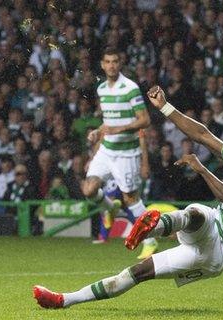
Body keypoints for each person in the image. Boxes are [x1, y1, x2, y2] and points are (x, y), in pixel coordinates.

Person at [32, 86, 223, 310]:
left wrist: (202, 170)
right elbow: (202, 135)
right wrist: (165, 107)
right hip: (213, 221)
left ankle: (153, 228)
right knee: (196, 214)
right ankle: (64, 299)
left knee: (138, 272)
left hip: (220, 252)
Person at [80, 47, 154, 259]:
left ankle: (151, 241)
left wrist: (117, 129)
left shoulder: (130, 87)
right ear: (102, 65)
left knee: (131, 199)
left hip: (126, 153)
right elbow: (109, 121)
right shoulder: (102, 88)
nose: (111, 65)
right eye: (107, 62)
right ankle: (110, 209)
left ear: (120, 64)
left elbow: (145, 120)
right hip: (107, 149)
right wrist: (98, 131)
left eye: (115, 61)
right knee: (89, 189)